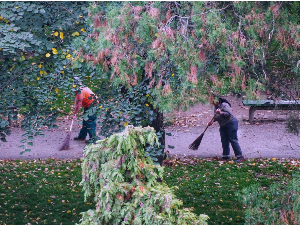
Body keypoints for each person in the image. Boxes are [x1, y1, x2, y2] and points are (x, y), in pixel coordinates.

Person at [207, 95, 245, 163]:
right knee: (224, 140)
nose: (213, 103)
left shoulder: (225, 105)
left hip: (231, 123)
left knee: (233, 140)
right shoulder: (215, 107)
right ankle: (226, 155)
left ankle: (240, 156)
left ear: (218, 100)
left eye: (213, 101)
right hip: (223, 125)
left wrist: (221, 112)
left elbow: (229, 114)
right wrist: (212, 121)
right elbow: (216, 116)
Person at [72, 77, 98, 144]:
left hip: (93, 106)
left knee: (90, 121)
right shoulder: (78, 89)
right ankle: (82, 136)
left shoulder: (80, 90)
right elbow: (77, 98)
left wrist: (75, 114)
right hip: (89, 105)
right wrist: (75, 104)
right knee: (85, 121)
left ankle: (93, 139)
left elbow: (79, 103)